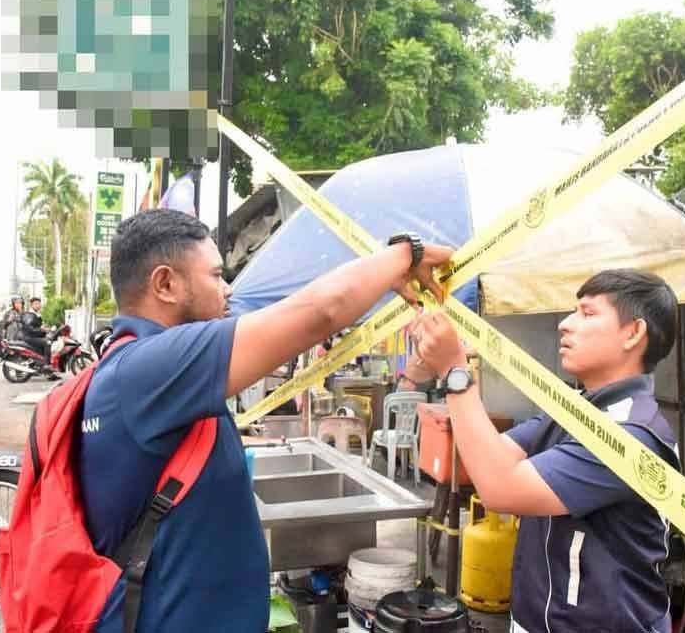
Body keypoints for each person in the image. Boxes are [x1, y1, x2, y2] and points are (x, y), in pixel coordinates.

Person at [78, 210, 452, 632]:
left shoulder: (149, 372)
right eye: (216, 276)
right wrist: (406, 254)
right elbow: (321, 311)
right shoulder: (150, 366)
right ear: (165, 284)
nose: (227, 290)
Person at [410, 269, 681, 633]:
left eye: (587, 313)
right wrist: (444, 365)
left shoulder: (629, 434)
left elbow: (499, 489)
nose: (564, 325)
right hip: (536, 618)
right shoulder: (575, 409)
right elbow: (490, 463)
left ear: (633, 333)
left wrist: (456, 373)